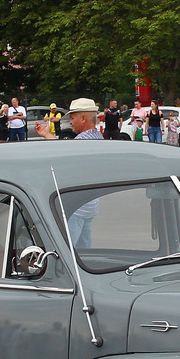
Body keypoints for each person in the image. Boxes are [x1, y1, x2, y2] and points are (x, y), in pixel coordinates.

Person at [64, 97, 103, 249]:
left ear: (83, 118)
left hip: (77, 206)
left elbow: (63, 157)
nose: (71, 122)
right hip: (91, 205)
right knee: (84, 250)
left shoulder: (81, 140)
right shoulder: (98, 137)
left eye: (73, 118)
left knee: (67, 251)